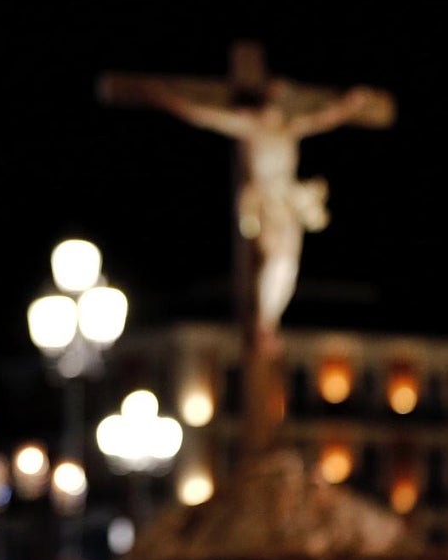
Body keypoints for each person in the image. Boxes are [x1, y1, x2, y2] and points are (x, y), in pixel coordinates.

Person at [98, 54, 394, 354]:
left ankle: (269, 320)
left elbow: (323, 118)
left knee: (287, 263)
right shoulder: (250, 125)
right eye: (274, 98)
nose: (277, 106)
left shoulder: (291, 127)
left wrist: (350, 106)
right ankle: (263, 322)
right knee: (273, 259)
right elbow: (201, 114)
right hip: (264, 205)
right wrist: (164, 97)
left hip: (287, 203)